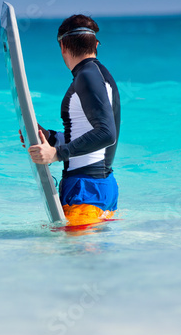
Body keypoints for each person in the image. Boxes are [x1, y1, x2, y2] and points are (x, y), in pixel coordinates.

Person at [28, 14, 121, 226]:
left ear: (62, 46)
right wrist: (50, 138)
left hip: (86, 192)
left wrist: (57, 154)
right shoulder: (98, 75)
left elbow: (107, 134)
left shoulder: (87, 77)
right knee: (80, 256)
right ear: (96, 44)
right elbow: (86, 133)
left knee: (74, 255)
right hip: (96, 188)